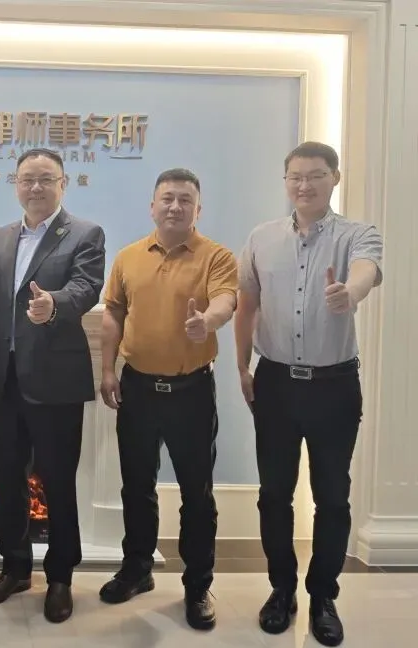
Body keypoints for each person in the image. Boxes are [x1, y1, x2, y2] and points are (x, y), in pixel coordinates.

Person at [235, 142, 382, 647]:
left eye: (316, 175)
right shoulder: (262, 237)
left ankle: (323, 596)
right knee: (274, 494)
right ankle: (281, 590)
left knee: (332, 497)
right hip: (275, 383)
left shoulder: (357, 234)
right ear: (285, 181)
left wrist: (349, 293)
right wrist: (241, 367)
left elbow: (366, 271)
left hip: (334, 386)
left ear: (334, 178)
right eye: (295, 176)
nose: (304, 185)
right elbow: (246, 305)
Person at [0, 148, 105, 624]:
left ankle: (61, 577)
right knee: (7, 479)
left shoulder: (84, 233)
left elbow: (87, 287)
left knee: (58, 482)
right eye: (28, 179)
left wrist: (55, 304)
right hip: (4, 382)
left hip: (55, 383)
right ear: (16, 184)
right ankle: (15, 568)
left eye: (46, 179)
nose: (36, 187)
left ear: (63, 184)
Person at [98, 168, 238, 631]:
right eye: (167, 198)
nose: (175, 206)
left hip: (190, 392)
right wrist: (107, 370)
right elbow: (114, 313)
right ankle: (137, 568)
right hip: (137, 388)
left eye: (184, 200)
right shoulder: (128, 257)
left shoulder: (216, 256)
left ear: (198, 209)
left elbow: (226, 300)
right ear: (152, 206)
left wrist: (207, 322)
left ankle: (197, 586)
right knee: (136, 486)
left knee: (197, 493)